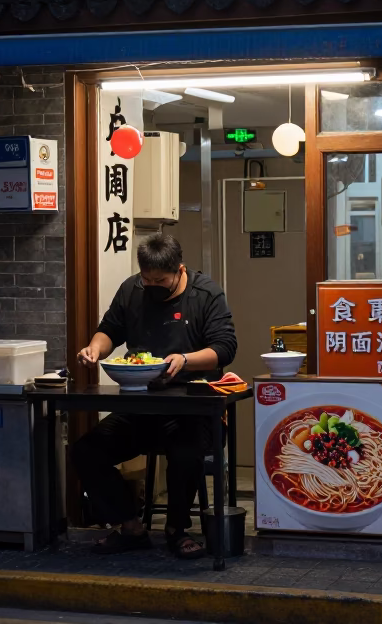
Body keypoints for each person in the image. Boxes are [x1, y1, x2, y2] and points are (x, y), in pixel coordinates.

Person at [72, 234, 237, 559]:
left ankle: (177, 530)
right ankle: (130, 527)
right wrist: (95, 347)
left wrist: (185, 359)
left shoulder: (206, 294)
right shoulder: (132, 289)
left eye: (160, 280)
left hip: (194, 409)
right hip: (142, 406)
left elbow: (225, 348)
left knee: (186, 450)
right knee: (86, 451)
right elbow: (110, 330)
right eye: (147, 279)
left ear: (180, 270)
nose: (152, 285)